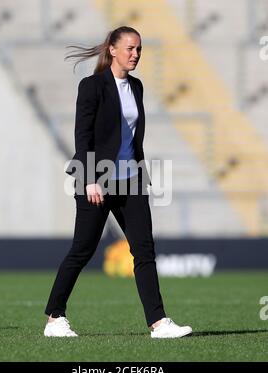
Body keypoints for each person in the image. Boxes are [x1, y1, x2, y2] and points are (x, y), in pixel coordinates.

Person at [44, 26, 192, 339]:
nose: (135, 54)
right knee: (82, 250)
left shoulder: (136, 87)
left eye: (139, 49)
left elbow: (132, 139)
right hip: (97, 180)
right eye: (129, 49)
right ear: (112, 50)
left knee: (144, 250)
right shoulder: (92, 86)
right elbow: (82, 136)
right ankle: (55, 318)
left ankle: (158, 323)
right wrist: (89, 179)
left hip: (132, 180)